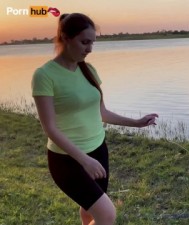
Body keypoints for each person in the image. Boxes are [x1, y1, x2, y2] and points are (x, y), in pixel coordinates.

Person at [31, 13, 158, 225]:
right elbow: (50, 128)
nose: (89, 49)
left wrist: (137, 123)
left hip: (98, 150)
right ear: (65, 37)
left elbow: (103, 113)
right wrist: (84, 160)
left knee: (90, 211)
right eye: (84, 42)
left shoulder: (89, 70)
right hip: (67, 159)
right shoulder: (44, 75)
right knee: (107, 214)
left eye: (92, 43)